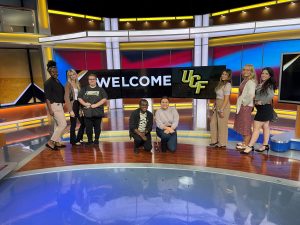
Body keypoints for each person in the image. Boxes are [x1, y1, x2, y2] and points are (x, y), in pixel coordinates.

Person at [241, 67, 277, 154]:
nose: (263, 75)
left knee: (256, 128)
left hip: (264, 109)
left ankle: (250, 146)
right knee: (265, 127)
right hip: (263, 109)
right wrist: (256, 101)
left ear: (270, 76)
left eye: (266, 73)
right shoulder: (263, 83)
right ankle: (265, 145)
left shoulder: (269, 84)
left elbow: (271, 95)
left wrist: (261, 102)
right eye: (263, 73)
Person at [78, 74, 107, 145]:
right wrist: (85, 104)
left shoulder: (100, 89)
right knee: (88, 128)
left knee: (97, 127)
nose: (92, 80)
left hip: (97, 112)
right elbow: (79, 98)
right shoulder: (84, 89)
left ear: (96, 80)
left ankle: (96, 140)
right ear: (88, 80)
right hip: (87, 112)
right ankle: (90, 141)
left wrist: (96, 105)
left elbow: (104, 98)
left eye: (93, 79)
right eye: (90, 79)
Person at [44, 60, 67, 150]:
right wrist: (50, 110)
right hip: (54, 106)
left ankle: (57, 142)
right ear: (49, 72)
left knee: (57, 125)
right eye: (53, 72)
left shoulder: (57, 81)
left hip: (59, 105)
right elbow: (47, 98)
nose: (55, 73)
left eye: (56, 71)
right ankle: (51, 142)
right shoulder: (48, 83)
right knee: (63, 124)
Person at [234, 64, 257, 151]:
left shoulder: (251, 81)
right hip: (243, 106)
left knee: (246, 125)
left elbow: (251, 94)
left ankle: (246, 144)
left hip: (246, 106)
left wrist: (244, 103)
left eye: (248, 70)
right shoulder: (245, 80)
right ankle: (245, 142)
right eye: (244, 70)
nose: (245, 71)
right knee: (243, 124)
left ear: (251, 71)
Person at [209, 69, 232, 148]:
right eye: (223, 74)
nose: (223, 76)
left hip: (224, 105)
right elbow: (217, 96)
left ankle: (222, 143)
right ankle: (214, 140)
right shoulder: (220, 84)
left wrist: (221, 109)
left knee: (222, 125)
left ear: (229, 77)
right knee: (213, 123)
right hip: (218, 104)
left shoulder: (227, 85)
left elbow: (226, 99)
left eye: (226, 75)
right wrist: (214, 104)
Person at [64, 69, 85, 146]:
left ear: (76, 74)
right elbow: (66, 98)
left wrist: (81, 108)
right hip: (73, 105)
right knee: (73, 124)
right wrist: (70, 110)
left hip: (78, 104)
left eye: (73, 74)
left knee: (83, 122)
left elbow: (80, 96)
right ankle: (73, 141)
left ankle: (79, 138)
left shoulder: (78, 83)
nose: (72, 76)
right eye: (70, 75)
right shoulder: (68, 84)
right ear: (69, 76)